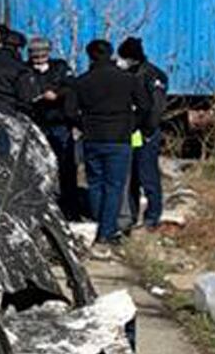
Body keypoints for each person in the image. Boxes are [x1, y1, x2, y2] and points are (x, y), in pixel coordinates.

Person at [71, 38, 148, 247]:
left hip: (92, 138)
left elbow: (69, 111)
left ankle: (98, 225)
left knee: (95, 184)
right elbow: (145, 106)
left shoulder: (81, 81)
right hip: (119, 138)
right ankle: (106, 232)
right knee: (114, 186)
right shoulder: (128, 80)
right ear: (111, 53)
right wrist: (132, 125)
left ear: (89, 56)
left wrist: (85, 125)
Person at [18, 36, 80, 217]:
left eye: (42, 57)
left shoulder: (60, 67)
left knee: (66, 166)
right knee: (38, 166)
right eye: (35, 57)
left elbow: (71, 86)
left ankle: (70, 208)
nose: (38, 61)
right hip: (37, 122)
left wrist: (57, 94)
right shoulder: (25, 70)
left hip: (59, 122)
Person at [120, 35, 170, 229]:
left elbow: (156, 107)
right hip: (130, 132)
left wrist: (147, 131)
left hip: (145, 133)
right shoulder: (127, 74)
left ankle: (152, 216)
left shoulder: (153, 75)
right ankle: (131, 215)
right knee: (131, 176)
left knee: (147, 175)